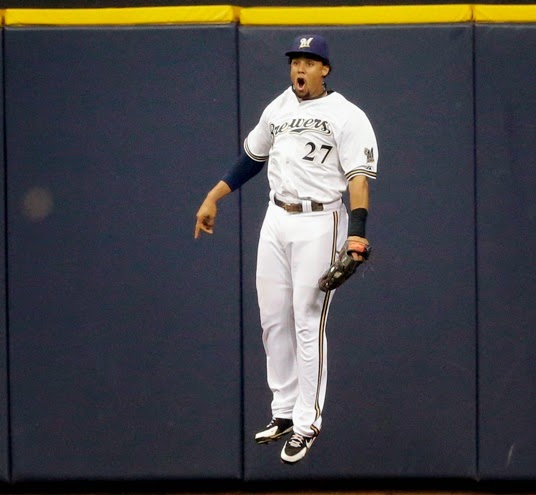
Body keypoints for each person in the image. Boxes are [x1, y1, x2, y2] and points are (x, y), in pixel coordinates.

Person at [194, 34, 378, 464]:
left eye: (309, 61)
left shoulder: (346, 115)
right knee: (273, 317)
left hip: (321, 219)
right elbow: (252, 158)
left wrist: (358, 231)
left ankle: (307, 421)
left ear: (325, 69)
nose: (300, 68)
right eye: (296, 60)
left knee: (306, 321)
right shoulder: (278, 108)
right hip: (277, 218)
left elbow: (358, 179)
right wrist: (213, 196)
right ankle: (283, 411)